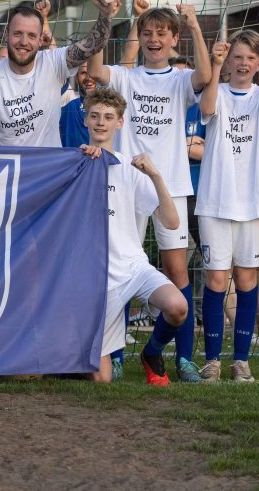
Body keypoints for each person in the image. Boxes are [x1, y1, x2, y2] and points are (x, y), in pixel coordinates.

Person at [86, 3, 212, 383]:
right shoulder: (126, 77)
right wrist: (105, 18)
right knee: (119, 265)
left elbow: (206, 77)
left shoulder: (180, 77)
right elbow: (94, 70)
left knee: (176, 271)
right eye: (148, 33)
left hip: (166, 183)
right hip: (125, 182)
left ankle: (174, 355)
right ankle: (117, 353)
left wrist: (193, 24)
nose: (154, 39)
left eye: (162, 33)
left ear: (174, 39)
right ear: (139, 38)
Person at [196, 31, 259, 382]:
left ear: (258, 64)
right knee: (217, 278)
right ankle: (211, 361)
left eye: (250, 58)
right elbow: (207, 109)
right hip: (215, 201)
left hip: (252, 204)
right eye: (237, 57)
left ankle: (241, 361)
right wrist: (216, 63)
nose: (243, 63)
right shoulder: (218, 92)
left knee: (248, 278)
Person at [79, 87, 189, 385]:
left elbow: (171, 220)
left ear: (120, 123)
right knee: (101, 380)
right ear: (86, 120)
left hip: (133, 268)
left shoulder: (130, 168)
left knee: (178, 307)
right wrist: (82, 161)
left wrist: (155, 175)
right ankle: (76, 356)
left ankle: (151, 354)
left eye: (108, 117)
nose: (101, 122)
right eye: (95, 116)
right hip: (97, 279)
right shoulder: (74, 163)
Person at [0, 0, 120, 147]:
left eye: (31, 36)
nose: (24, 42)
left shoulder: (52, 62)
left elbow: (91, 46)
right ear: (6, 35)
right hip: (7, 168)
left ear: (40, 40)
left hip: (49, 168)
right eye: (17, 34)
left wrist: (105, 15)